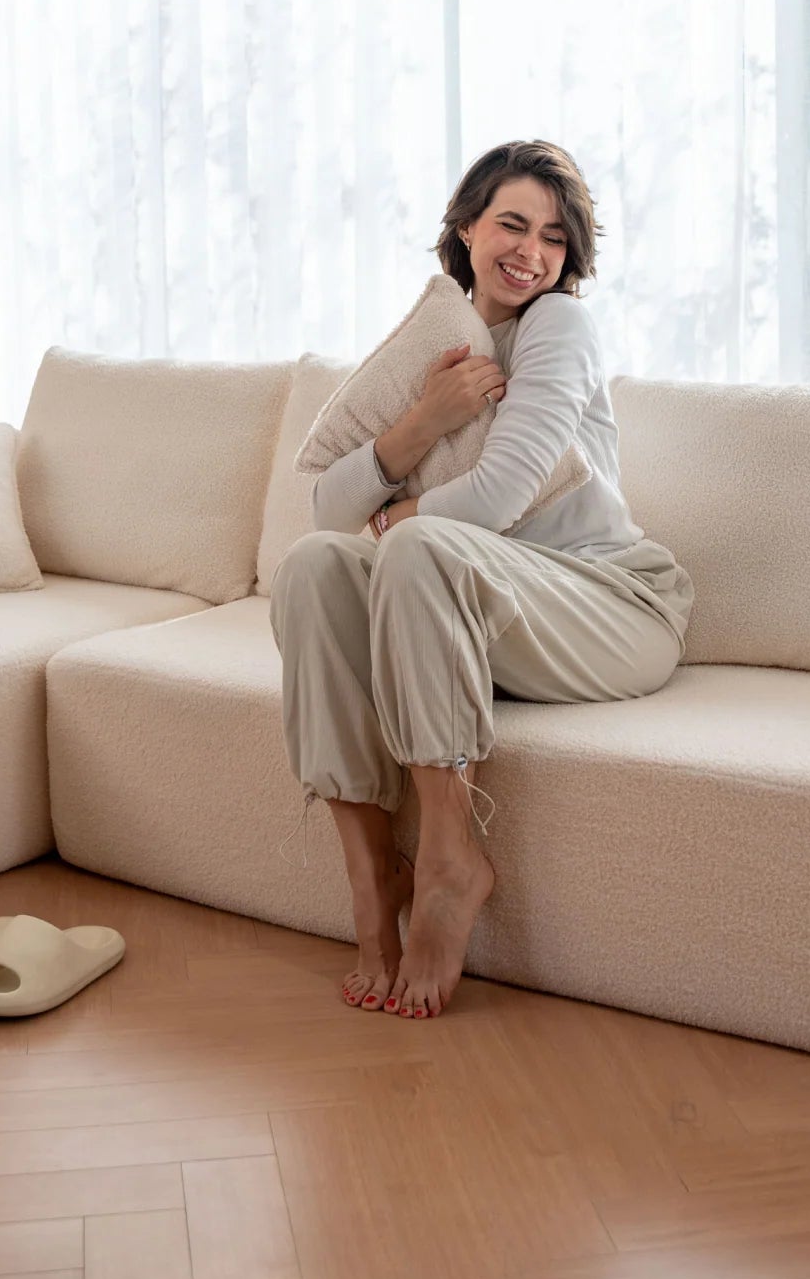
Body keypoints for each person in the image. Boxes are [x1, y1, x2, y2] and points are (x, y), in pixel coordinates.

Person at [268, 140, 693, 1021]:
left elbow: (498, 497)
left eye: (553, 236)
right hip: (488, 610)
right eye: (511, 223)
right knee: (312, 569)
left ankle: (453, 860)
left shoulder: (558, 328)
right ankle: (371, 868)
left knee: (418, 548)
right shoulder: (439, 342)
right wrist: (424, 419)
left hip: (611, 603)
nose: (531, 251)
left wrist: (392, 520)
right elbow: (321, 513)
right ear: (465, 228)